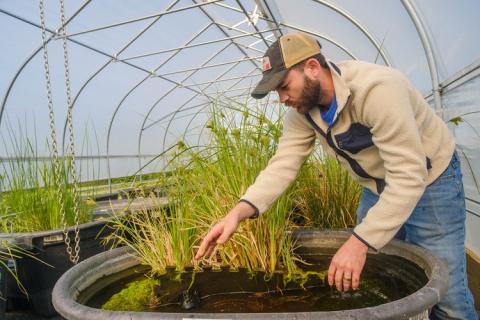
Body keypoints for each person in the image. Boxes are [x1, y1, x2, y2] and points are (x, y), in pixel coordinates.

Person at [195, 32, 478, 319]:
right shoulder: (302, 111)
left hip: (431, 181)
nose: (281, 98)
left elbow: (409, 176)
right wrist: (239, 212)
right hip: (377, 186)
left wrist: (359, 241)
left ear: (313, 68)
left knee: (448, 295)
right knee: (379, 274)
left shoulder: (378, 90)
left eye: (283, 86)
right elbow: (284, 163)